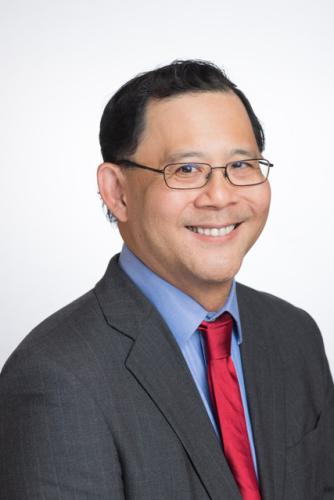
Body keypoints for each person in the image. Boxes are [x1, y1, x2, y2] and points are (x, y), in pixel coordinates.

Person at [0, 60, 333, 500]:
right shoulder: (57, 378)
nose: (220, 196)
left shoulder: (294, 334)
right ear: (117, 192)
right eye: (186, 170)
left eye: (243, 164)